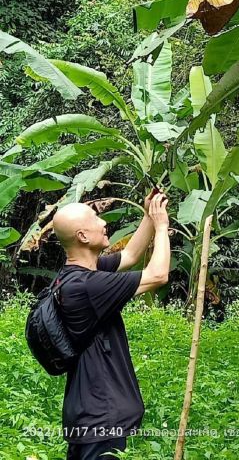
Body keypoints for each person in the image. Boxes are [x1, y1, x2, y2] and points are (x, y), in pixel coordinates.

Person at [51, 189, 170, 460]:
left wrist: (149, 215)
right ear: (82, 236)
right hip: (101, 419)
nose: (104, 223)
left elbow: (129, 255)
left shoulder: (74, 277)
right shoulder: (89, 286)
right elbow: (158, 274)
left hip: (88, 414)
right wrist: (162, 226)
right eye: (96, 219)